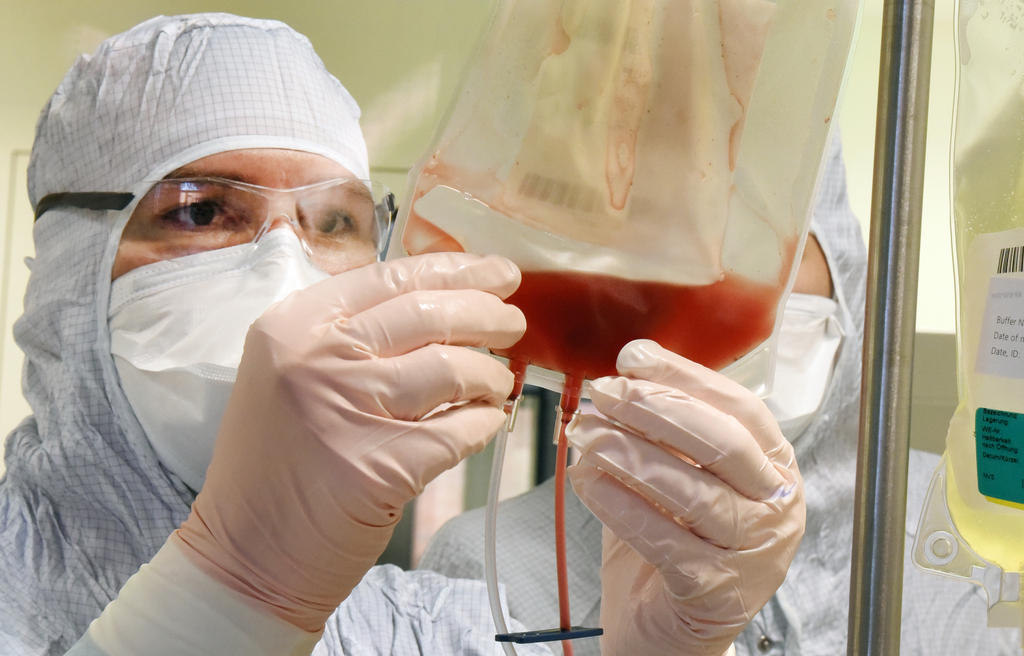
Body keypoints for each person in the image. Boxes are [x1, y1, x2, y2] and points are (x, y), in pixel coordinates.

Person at [0, 13, 806, 656]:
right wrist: (236, 589)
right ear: (72, 268)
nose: (287, 272)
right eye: (203, 211)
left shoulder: (422, 632)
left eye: (335, 222)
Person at [421, 137, 1024, 655]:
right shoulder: (484, 562)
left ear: (848, 274)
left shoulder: (981, 524)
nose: (708, 283)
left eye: (760, 244)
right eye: (659, 249)